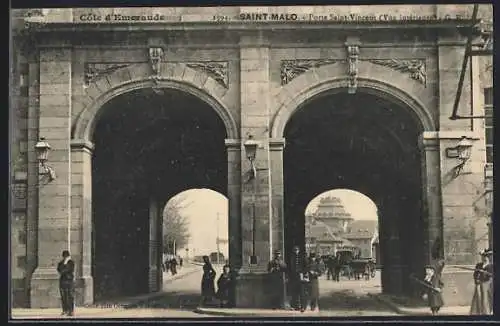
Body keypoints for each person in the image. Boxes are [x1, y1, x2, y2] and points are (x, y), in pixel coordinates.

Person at [470, 248, 494, 315]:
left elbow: (492, 276)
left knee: (485, 299)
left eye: (486, 256)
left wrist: (486, 273)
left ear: (489, 257)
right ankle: (478, 313)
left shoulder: (491, 266)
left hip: (487, 285)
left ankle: (486, 312)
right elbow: (475, 274)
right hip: (479, 285)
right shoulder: (478, 265)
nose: (484, 258)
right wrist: (476, 280)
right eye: (483, 256)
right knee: (478, 299)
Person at [289, 245, 307, 312]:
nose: (296, 251)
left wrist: (303, 273)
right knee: (294, 292)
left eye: (297, 250)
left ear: (299, 250)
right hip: (294, 277)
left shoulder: (302, 257)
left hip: (301, 276)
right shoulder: (291, 257)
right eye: (294, 250)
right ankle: (295, 306)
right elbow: (290, 268)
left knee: (302, 292)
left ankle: (303, 307)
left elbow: (306, 266)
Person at [57, 250, 75, 316]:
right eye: (64, 256)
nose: (65, 258)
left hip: (69, 280)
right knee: (63, 296)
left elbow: (69, 270)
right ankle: (65, 310)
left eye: (66, 256)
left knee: (70, 296)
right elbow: (59, 269)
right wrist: (64, 266)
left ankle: (71, 310)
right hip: (63, 281)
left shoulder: (71, 262)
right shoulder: (61, 263)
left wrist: (65, 265)